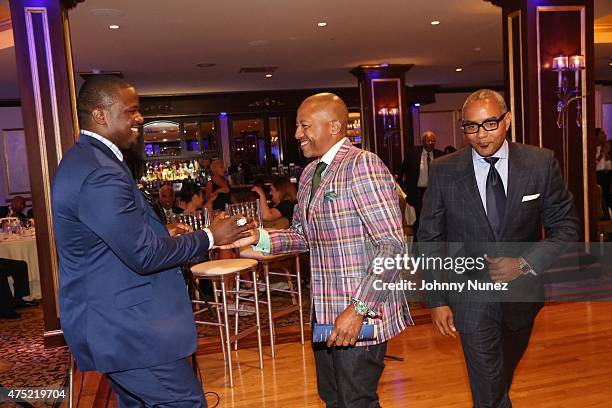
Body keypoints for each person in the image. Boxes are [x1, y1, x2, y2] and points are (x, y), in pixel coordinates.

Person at [51, 75, 253, 408]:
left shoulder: (90, 160)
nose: (140, 118)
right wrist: (209, 236)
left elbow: (112, 240)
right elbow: (143, 255)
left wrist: (162, 232)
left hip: (118, 324)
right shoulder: (100, 171)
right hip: (130, 330)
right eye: (130, 111)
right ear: (101, 115)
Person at [227, 93, 412, 407]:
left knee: (356, 401)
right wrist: (260, 239)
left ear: (335, 127)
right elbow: (302, 235)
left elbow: (392, 247)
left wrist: (358, 310)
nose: (297, 134)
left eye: (304, 125)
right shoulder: (311, 173)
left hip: (360, 312)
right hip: (324, 313)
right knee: (332, 398)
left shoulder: (362, 164)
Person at [418, 89, 579, 407]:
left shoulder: (539, 163)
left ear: (508, 120)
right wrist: (436, 298)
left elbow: (566, 227)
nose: (480, 135)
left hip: (523, 295)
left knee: (496, 378)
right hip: (469, 293)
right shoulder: (445, 170)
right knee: (489, 385)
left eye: (490, 123)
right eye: (471, 126)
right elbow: (429, 238)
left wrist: (523, 263)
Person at [398, 131, 443, 233]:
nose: (430, 143)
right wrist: (402, 187)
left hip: (433, 192)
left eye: (433, 141)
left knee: (432, 217)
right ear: (423, 142)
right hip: (417, 192)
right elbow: (402, 170)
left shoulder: (440, 155)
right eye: (428, 141)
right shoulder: (413, 154)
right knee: (419, 217)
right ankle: (418, 242)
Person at [595, 128, 611, 216]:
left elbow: (608, 167)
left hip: (606, 175)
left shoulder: (606, 147)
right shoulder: (592, 148)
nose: (605, 135)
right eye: (602, 133)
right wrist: (601, 155)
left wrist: (607, 156)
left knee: (607, 197)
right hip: (597, 175)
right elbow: (593, 165)